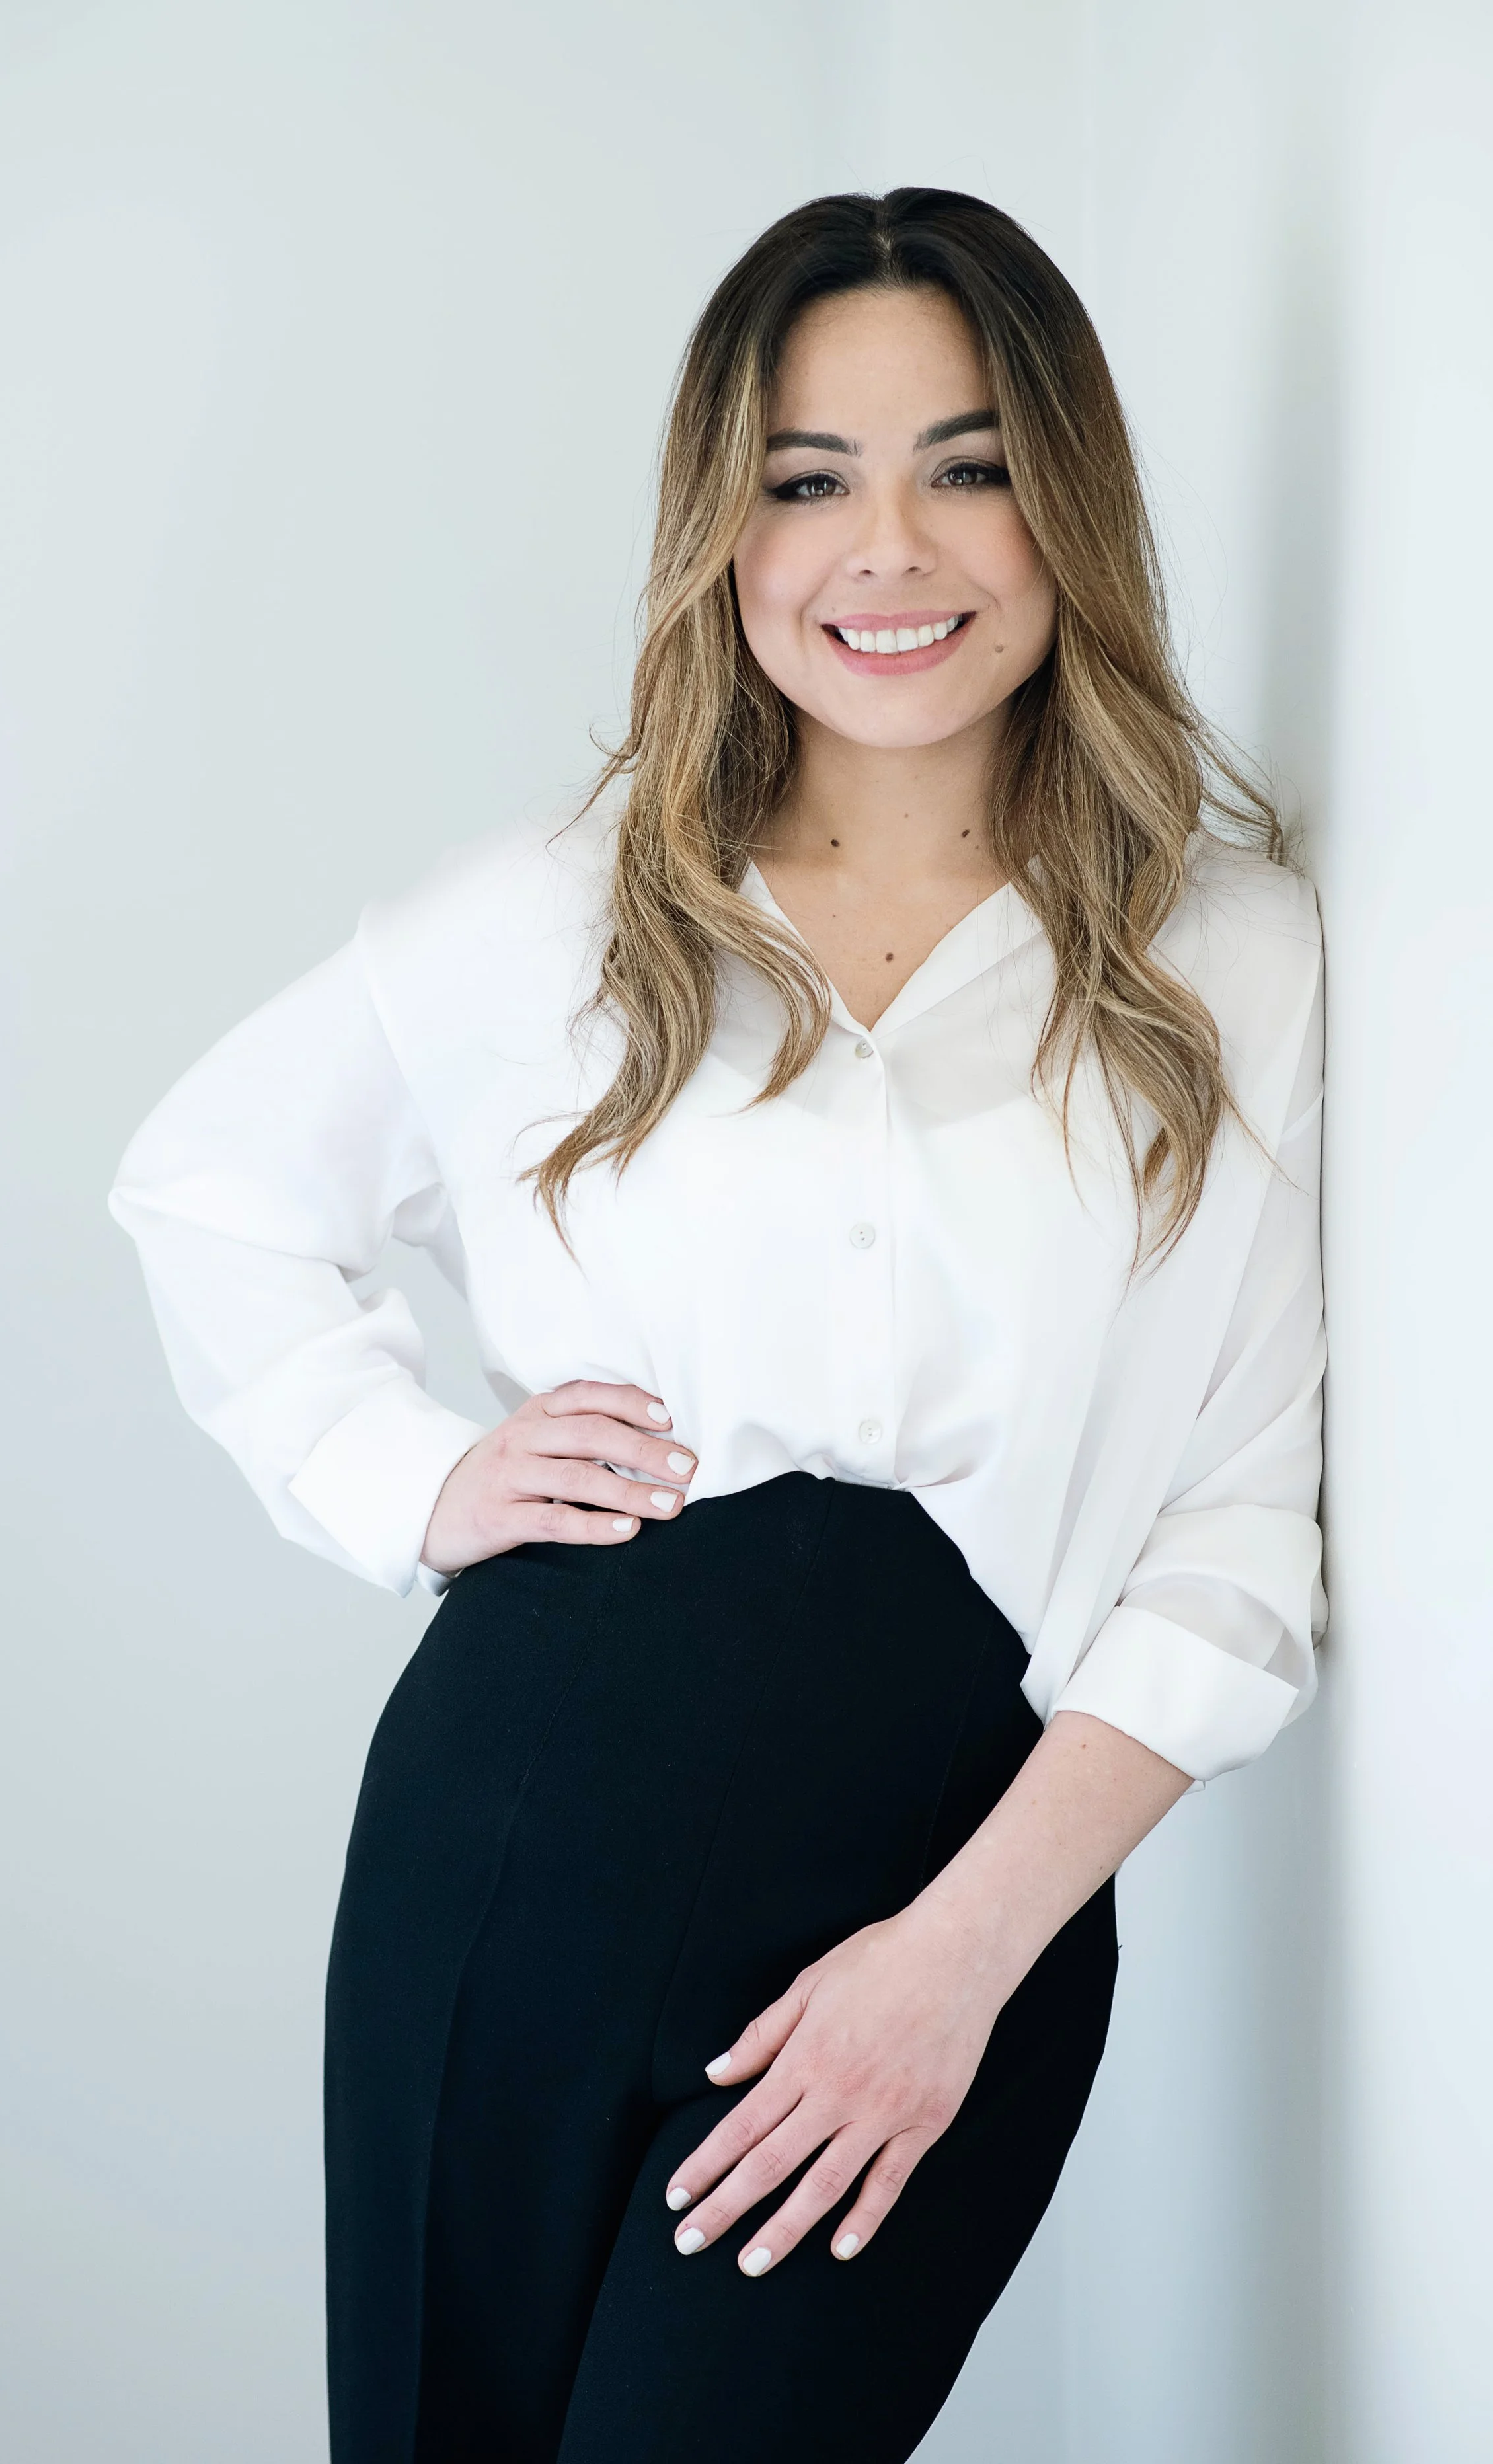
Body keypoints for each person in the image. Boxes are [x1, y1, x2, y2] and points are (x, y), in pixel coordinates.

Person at [110, 188, 1325, 2463]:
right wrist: (408, 1478)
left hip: (947, 1896)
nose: (890, 548)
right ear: (722, 527)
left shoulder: (1225, 960)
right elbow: (207, 1187)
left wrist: (954, 1962)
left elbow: (1241, 1527)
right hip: (511, 1842)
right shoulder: (549, 919)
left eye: (966, 465)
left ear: (1067, 502)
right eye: (806, 477)